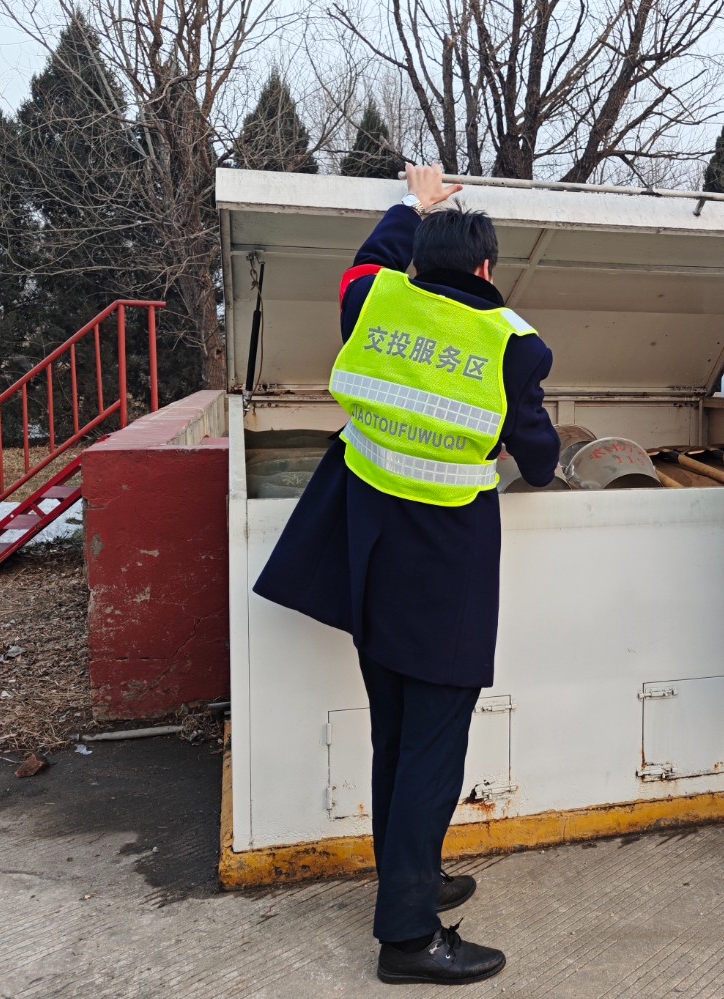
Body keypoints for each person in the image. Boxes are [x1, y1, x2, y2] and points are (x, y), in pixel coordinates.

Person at [253, 164, 560, 985]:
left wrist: (409, 204)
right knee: (432, 747)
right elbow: (539, 457)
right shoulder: (515, 344)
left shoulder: (376, 299)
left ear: (421, 259)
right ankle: (409, 936)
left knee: (396, 734)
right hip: (445, 572)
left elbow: (363, 262)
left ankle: (408, 876)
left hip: (369, 557)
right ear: (489, 269)